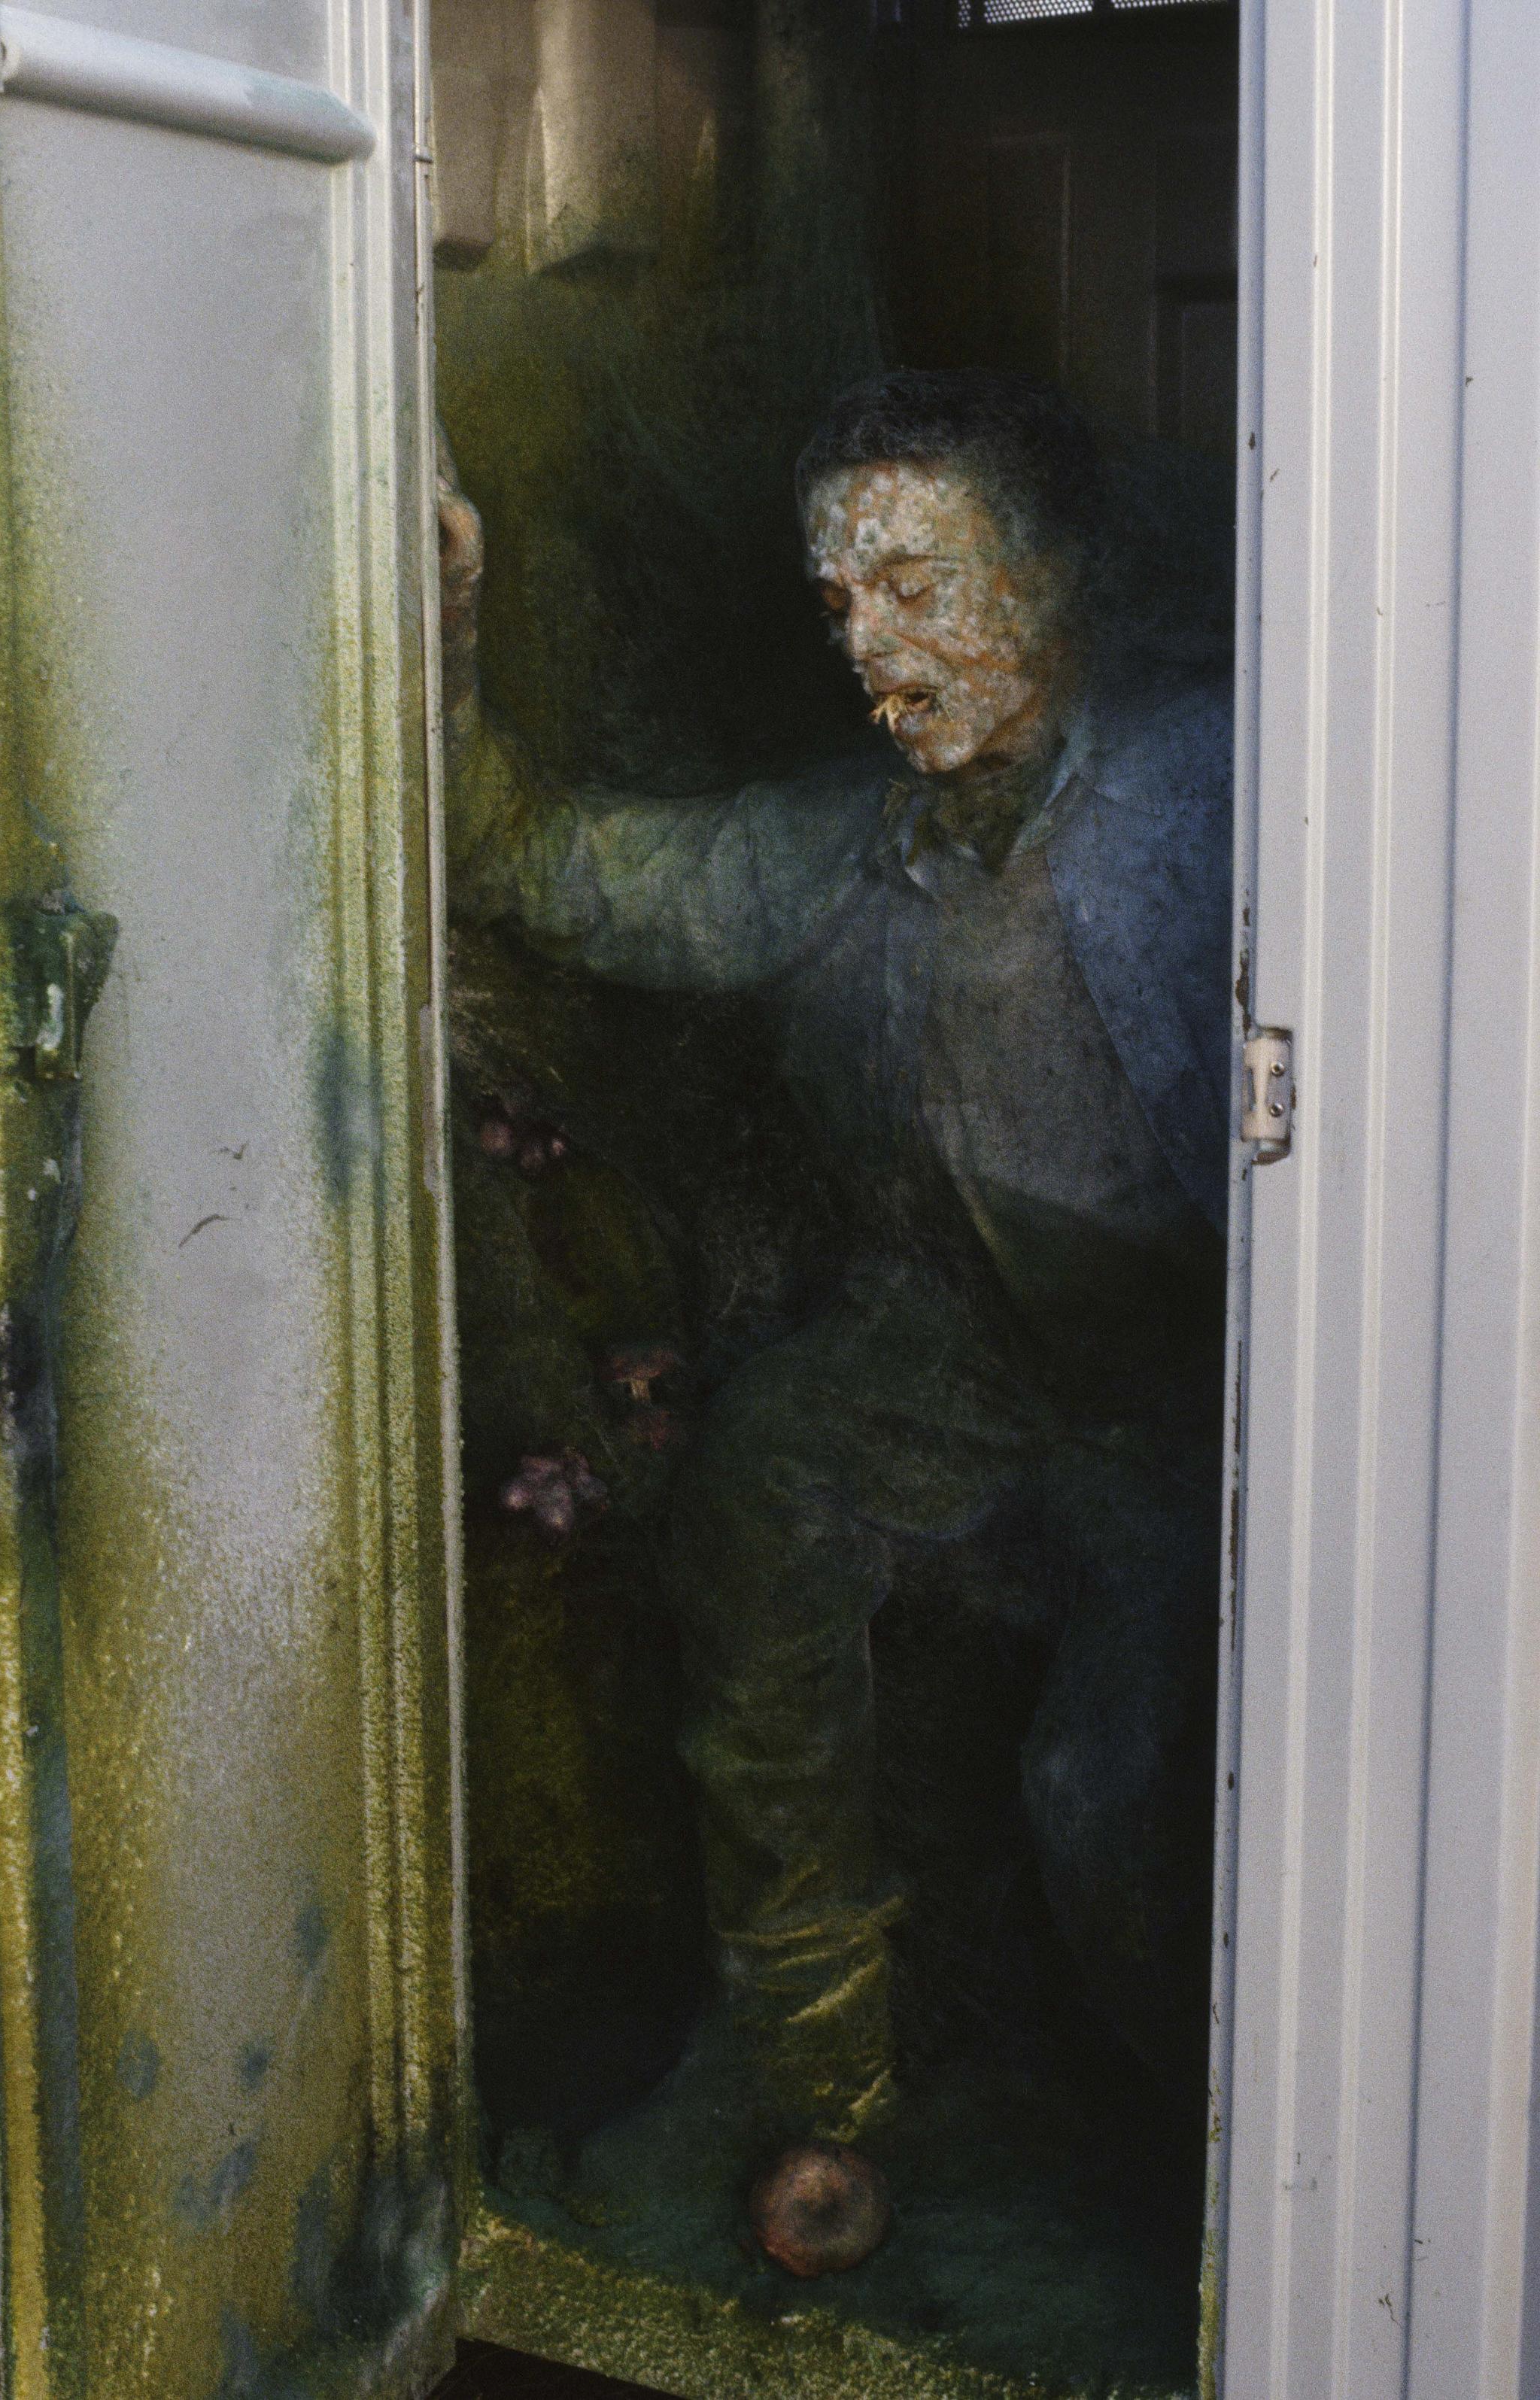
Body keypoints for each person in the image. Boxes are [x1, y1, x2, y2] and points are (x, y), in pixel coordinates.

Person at [438, 370, 1232, 2274]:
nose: (867, 646)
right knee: (763, 1474)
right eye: (839, 601)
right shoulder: (850, 843)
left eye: (913, 584)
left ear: (1052, 574)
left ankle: (1236, 2178)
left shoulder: (1224, 788)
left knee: (1104, 1793)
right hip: (969, 1357)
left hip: (1209, 1393)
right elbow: (550, 865)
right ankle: (807, 2067)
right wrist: (449, 626)